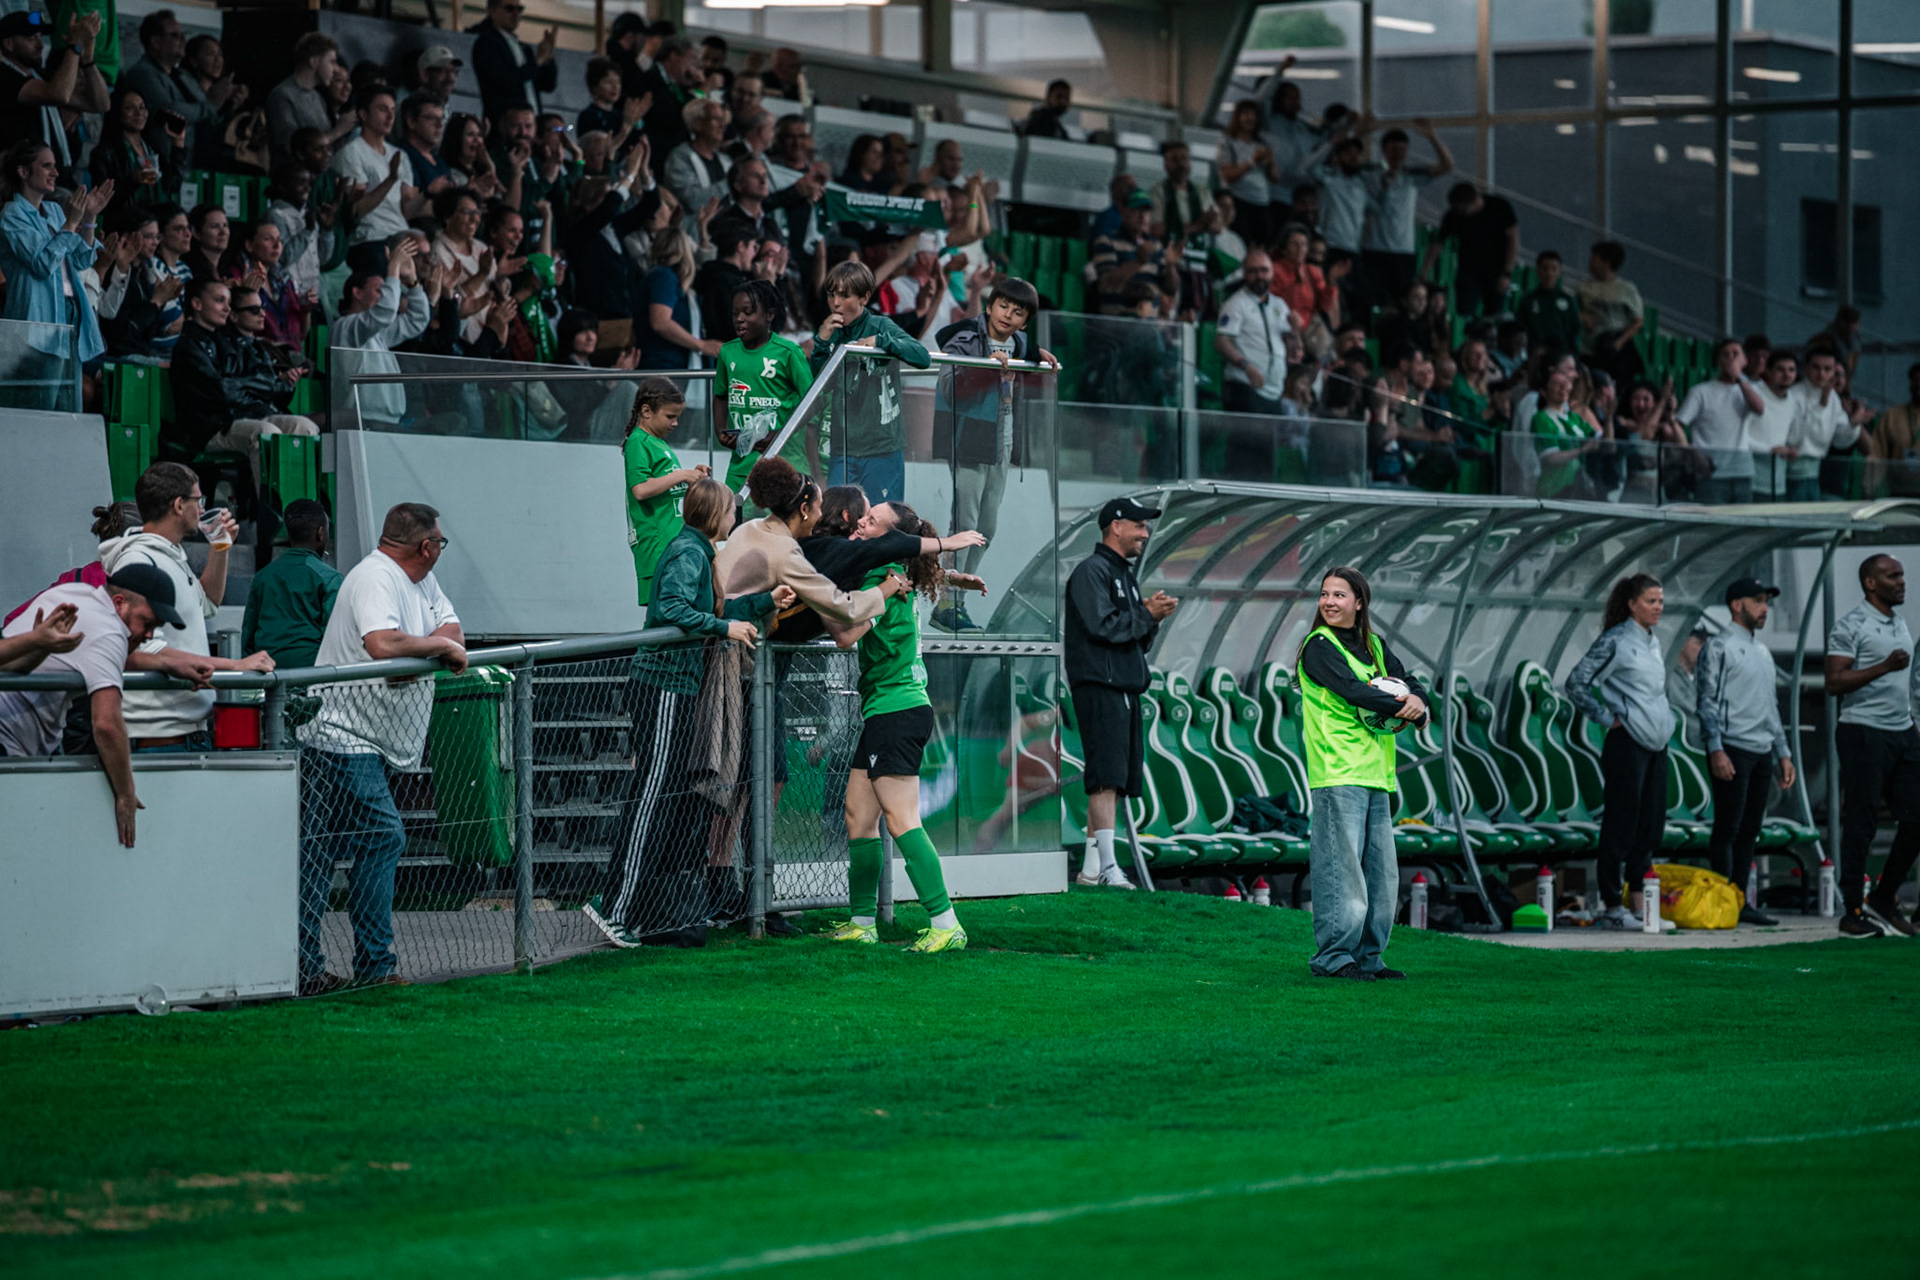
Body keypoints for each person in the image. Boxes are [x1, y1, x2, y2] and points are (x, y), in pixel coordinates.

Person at [586, 478, 790, 949]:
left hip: (677, 689)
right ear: (715, 514)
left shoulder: (698, 551)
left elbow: (704, 605)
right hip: (661, 687)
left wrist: (761, 603)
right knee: (651, 798)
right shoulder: (689, 552)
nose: (736, 517)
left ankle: (636, 910)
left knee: (664, 799)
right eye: (731, 510)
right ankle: (612, 908)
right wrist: (724, 625)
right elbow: (672, 608)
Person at [297, 502, 466, 994]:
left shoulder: (419, 581)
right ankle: (373, 966)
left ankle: (310, 969)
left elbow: (454, 629)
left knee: (323, 852)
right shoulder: (376, 577)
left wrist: (434, 643)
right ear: (426, 546)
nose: (440, 547)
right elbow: (382, 646)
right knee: (378, 837)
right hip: (340, 736)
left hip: (376, 739)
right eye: (440, 541)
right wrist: (435, 647)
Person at [825, 502, 973, 952]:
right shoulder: (891, 572)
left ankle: (947, 924)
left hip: (897, 710)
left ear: (891, 539)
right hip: (885, 710)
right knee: (858, 815)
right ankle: (862, 923)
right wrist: (956, 577)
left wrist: (811, 594)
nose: (860, 522)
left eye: (871, 521)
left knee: (902, 818)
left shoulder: (880, 578)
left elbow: (845, 635)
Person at [1297, 566, 1427, 979]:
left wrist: (1419, 702)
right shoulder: (1319, 645)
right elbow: (1355, 691)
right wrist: (1409, 708)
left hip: (1375, 775)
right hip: (1337, 771)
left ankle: (1370, 958)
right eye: (1324, 594)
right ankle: (1335, 957)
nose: (1329, 602)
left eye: (1339, 595)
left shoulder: (1374, 644)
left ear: (1359, 603)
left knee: (1381, 876)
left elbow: (1412, 682)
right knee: (1342, 871)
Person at [0, 564, 187, 846]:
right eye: (147, 623)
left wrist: (38, 644)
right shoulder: (110, 631)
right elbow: (107, 725)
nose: (149, 635)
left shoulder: (75, 594)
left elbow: (16, 665)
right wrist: (125, 793)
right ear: (119, 603)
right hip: (9, 741)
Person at [96, 462, 274, 751]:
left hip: (186, 733)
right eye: (198, 500)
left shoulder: (169, 555)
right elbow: (137, 650)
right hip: (161, 739)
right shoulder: (139, 561)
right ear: (179, 505)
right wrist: (235, 666)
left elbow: (209, 603)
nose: (203, 509)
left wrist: (220, 548)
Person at [928, 276, 1056, 632]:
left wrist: (1038, 356)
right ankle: (946, 603)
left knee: (987, 527)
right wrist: (985, 368)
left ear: (1024, 322)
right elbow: (950, 388)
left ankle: (959, 600)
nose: (1008, 316)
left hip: (1002, 443)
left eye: (1017, 312)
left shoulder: (1020, 343)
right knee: (965, 524)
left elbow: (1026, 356)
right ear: (989, 306)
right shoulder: (966, 339)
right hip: (969, 439)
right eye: (1003, 306)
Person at [1063, 497, 1178, 890]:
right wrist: (1146, 615)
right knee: (1105, 777)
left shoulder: (1123, 574)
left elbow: (1133, 641)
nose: (1145, 534)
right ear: (1116, 526)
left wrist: (1149, 617)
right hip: (1100, 685)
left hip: (1124, 685)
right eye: (1139, 526)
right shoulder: (1091, 572)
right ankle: (1110, 868)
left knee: (1116, 777)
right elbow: (1103, 627)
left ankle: (1094, 868)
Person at [1566, 573, 1675, 930]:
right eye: (1650, 601)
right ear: (1631, 604)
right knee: (1621, 825)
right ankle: (1613, 905)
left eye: (1660, 601)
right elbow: (1577, 681)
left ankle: (1638, 903)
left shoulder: (1652, 641)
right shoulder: (1616, 640)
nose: (1658, 608)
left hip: (1656, 743)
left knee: (1651, 826)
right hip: (1627, 742)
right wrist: (1605, 716)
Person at [1825, 554, 1919, 938]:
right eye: (1891, 576)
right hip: (1863, 731)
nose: (1901, 581)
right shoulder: (1851, 625)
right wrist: (1883, 666)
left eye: (1901, 575)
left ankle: (1884, 896)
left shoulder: (1899, 622)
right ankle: (1852, 911)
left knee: (1916, 817)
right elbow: (1834, 682)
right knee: (1861, 823)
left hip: (1902, 731)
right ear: (1870, 582)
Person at [1696, 578, 1795, 927]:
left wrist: (1783, 752)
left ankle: (1739, 901)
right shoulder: (1719, 647)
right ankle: (1724, 900)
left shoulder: (1763, 653)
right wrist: (1716, 749)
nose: (1765, 607)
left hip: (1762, 750)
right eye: (1758, 600)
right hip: (1733, 748)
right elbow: (1705, 701)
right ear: (1737, 605)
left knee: (1750, 829)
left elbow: (1771, 707)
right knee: (1728, 827)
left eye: (1766, 600)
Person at [167, 276, 317, 479]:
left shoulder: (228, 340)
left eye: (228, 303)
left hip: (248, 415)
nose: (227, 309)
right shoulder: (189, 345)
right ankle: (271, 506)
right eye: (220, 301)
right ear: (197, 304)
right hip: (211, 428)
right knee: (266, 432)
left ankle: (303, 504)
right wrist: (256, 385)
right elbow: (222, 391)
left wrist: (251, 385)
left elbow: (259, 384)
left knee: (305, 427)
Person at [811, 259, 932, 505]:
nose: (835, 302)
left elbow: (922, 357)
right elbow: (819, 385)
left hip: (883, 447)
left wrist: (881, 342)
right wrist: (821, 343)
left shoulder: (880, 325)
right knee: (836, 522)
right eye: (831, 294)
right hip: (843, 448)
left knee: (883, 520)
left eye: (844, 295)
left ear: (864, 298)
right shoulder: (830, 331)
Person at [1, 140, 110, 391]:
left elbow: (82, 260)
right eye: (47, 166)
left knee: (67, 402)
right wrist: (71, 224)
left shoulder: (53, 211)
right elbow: (42, 263)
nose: (56, 172)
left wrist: (89, 217)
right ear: (24, 171)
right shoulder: (12, 214)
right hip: (38, 317)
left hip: (70, 310)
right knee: (43, 401)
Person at [715, 278, 816, 496]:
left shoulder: (788, 352)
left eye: (748, 312)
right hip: (741, 467)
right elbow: (721, 395)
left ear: (769, 315)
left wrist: (779, 434)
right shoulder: (727, 352)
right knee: (735, 525)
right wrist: (719, 430)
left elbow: (815, 401)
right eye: (735, 313)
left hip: (785, 462)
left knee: (784, 527)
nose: (739, 319)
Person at [622, 377, 710, 612]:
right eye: (670, 416)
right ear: (647, 411)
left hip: (670, 541)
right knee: (665, 613)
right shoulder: (637, 442)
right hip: (656, 543)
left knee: (676, 609)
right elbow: (640, 489)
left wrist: (693, 476)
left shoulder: (658, 443)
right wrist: (682, 475)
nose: (676, 423)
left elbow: (665, 486)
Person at [332, 239, 432, 430]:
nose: (384, 295)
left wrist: (412, 281)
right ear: (357, 293)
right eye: (379, 290)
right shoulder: (345, 327)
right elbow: (386, 312)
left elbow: (417, 320)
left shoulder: (378, 333)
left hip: (387, 420)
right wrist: (393, 269)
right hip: (361, 420)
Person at [0, 8, 108, 174]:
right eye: (31, 38)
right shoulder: (4, 75)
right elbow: (58, 94)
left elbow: (99, 104)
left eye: (40, 37)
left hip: (53, 177)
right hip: (18, 180)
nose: (40, 45)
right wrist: (74, 47)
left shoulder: (41, 76)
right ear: (9, 44)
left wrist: (87, 58)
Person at [238, 498, 339, 669]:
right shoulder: (330, 579)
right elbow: (335, 637)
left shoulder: (263, 577)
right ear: (321, 533)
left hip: (268, 675)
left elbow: (248, 636)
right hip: (313, 677)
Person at [1361, 120, 1451, 310]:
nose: (1398, 155)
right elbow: (1348, 163)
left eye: (1402, 150)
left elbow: (1446, 165)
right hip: (1373, 247)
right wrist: (1361, 134)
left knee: (1402, 302)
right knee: (1373, 301)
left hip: (1403, 250)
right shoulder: (1370, 172)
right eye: (1393, 150)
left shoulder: (1411, 175)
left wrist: (1432, 137)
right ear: (1384, 151)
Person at [117, 11, 225, 164]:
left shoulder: (182, 76)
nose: (182, 40)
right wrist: (211, 104)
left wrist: (226, 102)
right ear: (155, 41)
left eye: (183, 34)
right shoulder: (143, 73)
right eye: (175, 36)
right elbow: (170, 112)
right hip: (158, 163)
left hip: (187, 162)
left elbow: (207, 113)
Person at [331, 85, 422, 261]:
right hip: (371, 238)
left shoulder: (399, 155)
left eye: (393, 110)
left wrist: (433, 195)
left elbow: (406, 210)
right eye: (382, 109)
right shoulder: (352, 153)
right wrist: (390, 179)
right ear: (363, 114)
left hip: (400, 233)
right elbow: (357, 210)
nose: (390, 116)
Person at [1676, 338, 1766, 504]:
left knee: (1743, 522)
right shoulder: (1700, 391)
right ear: (1719, 361)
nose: (1731, 358)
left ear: (1744, 361)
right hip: (1711, 471)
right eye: (1726, 354)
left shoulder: (1748, 389)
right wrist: (1695, 455)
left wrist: (1738, 378)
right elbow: (1679, 424)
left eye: (1736, 354)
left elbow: (1759, 408)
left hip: (1742, 470)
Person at [1783, 346, 1870, 501]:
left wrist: (1853, 424)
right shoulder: (1793, 395)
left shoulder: (1833, 399)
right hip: (1791, 473)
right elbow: (1793, 438)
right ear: (1806, 368)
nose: (1821, 373)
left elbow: (1840, 440)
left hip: (1815, 473)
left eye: (1827, 369)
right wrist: (1821, 406)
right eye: (1816, 367)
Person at [1424, 183, 1518, 319]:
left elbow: (1513, 240)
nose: (1460, 213)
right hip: (1468, 271)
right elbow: (1438, 243)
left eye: (1462, 209)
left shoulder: (1499, 207)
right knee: (1465, 312)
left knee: (1494, 314)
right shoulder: (1454, 215)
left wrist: (1506, 272)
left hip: (1496, 270)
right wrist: (1425, 270)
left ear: (1472, 202)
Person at [89, 89, 184, 213]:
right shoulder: (104, 153)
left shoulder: (153, 149)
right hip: (126, 226)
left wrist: (178, 144)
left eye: (142, 107)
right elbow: (103, 202)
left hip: (156, 224)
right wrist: (132, 181)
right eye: (130, 108)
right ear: (117, 112)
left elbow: (174, 185)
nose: (139, 113)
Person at [267, 32, 353, 160]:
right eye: (332, 62)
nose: (335, 69)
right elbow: (291, 148)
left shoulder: (318, 98)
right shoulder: (282, 96)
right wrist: (339, 130)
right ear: (314, 62)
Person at [637, 227, 714, 369]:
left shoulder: (669, 279)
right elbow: (660, 322)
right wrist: (701, 345)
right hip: (663, 366)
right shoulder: (663, 277)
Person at [1088, 190, 1175, 316]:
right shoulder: (1106, 241)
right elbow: (1107, 282)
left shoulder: (1156, 246)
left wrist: (1171, 263)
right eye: (1136, 210)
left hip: (1148, 324)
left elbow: (1170, 288)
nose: (1143, 216)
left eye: (1146, 211)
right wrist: (1139, 262)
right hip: (1116, 322)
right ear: (1123, 212)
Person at [469, 0, 557, 124]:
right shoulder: (486, 43)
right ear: (492, 12)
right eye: (510, 9)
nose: (516, 14)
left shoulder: (524, 48)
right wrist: (537, 61)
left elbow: (547, 85)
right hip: (504, 122)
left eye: (519, 9)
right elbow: (505, 81)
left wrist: (548, 57)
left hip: (531, 123)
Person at [1576, 240, 1644, 382]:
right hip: (1591, 348)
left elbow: (1637, 321)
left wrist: (1619, 342)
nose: (1590, 262)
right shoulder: (1584, 288)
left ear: (1606, 262)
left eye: (1594, 258)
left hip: (1615, 348)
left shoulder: (1626, 289)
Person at [1217, 100, 1279, 248]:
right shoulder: (1228, 142)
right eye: (1245, 114)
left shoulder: (1262, 144)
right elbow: (1228, 175)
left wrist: (1270, 162)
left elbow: (1276, 178)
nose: (1250, 119)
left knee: (1263, 244)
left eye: (1253, 115)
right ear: (1237, 117)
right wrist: (1252, 162)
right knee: (1241, 242)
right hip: (1241, 200)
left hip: (1262, 202)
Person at [1270, 224, 1341, 336]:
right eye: (1294, 244)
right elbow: (1271, 303)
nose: (1300, 248)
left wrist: (1331, 282)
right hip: (1282, 329)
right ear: (1284, 248)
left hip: (1309, 333)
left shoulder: (1313, 271)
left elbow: (1325, 305)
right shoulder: (1274, 270)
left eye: (1303, 244)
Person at [693, 221, 756, 347]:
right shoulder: (730, 282)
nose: (754, 254)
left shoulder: (710, 274)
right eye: (753, 247)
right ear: (741, 246)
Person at [1866, 362, 1920, 498]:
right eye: (1916, 380)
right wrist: (1869, 488)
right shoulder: (1892, 416)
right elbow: (1877, 454)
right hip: (1900, 493)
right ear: (1910, 384)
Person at [1515, 250, 1582, 357]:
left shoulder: (1568, 299)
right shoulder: (1528, 300)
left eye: (1554, 269)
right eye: (1545, 268)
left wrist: (1571, 352)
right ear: (1538, 270)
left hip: (1563, 353)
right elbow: (1521, 328)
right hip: (1536, 353)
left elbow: (1575, 329)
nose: (1549, 273)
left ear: (1559, 271)